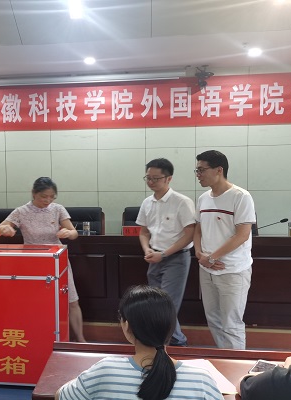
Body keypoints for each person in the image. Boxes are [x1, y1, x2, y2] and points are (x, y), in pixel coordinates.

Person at [55, 285, 222, 400]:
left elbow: (61, 396)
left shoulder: (104, 371)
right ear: (171, 328)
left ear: (127, 326)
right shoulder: (201, 380)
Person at [0, 177, 86, 342]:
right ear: (34, 193)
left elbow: (74, 233)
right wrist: (3, 229)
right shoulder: (21, 211)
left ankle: (81, 340)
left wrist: (68, 233)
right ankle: (36, 338)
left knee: (72, 300)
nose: (47, 201)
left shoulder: (58, 209)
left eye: (51, 197)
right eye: (43, 196)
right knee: (34, 303)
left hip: (57, 260)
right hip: (32, 261)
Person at [193, 150, 255, 349]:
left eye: (202, 170)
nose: (198, 175)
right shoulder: (203, 198)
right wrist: (199, 253)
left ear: (219, 170)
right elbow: (198, 229)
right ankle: (223, 357)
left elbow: (242, 235)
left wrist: (211, 257)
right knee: (214, 320)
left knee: (231, 323)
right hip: (207, 268)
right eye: (197, 170)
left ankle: (237, 363)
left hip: (232, 270)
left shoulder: (241, 196)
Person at [136, 158, 195, 347]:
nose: (151, 182)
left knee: (166, 305)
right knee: (157, 304)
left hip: (176, 258)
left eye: (156, 178)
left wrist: (163, 254)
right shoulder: (147, 203)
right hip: (154, 258)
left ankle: (168, 344)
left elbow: (190, 235)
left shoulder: (182, 202)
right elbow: (144, 232)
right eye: (148, 178)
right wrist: (147, 249)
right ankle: (177, 341)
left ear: (169, 178)